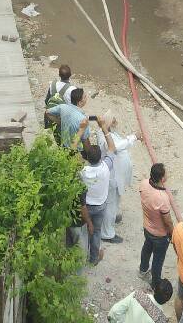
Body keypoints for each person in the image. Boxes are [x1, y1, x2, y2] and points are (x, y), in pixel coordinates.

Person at [79, 119, 117, 265]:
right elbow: (112, 148)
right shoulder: (105, 167)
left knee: (84, 231)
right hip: (100, 206)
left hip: (85, 207)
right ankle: (94, 258)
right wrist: (103, 128)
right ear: (100, 157)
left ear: (87, 158)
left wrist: (81, 130)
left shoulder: (83, 172)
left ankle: (81, 257)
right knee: (96, 232)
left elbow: (69, 151)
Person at [97, 112, 137, 243]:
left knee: (114, 203)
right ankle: (107, 233)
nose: (115, 122)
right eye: (113, 120)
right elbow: (115, 147)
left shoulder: (110, 133)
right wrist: (133, 137)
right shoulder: (104, 136)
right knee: (110, 205)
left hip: (117, 176)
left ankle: (111, 221)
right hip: (112, 177)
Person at [139, 163, 174, 289]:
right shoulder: (162, 198)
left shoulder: (143, 183)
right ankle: (155, 284)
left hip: (147, 227)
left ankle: (143, 270)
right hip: (160, 234)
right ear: (162, 178)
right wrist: (172, 233)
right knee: (158, 260)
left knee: (147, 248)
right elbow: (168, 221)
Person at [45, 87, 91, 152]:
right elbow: (85, 141)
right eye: (85, 97)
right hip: (76, 151)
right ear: (80, 102)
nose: (87, 98)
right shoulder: (83, 119)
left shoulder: (63, 107)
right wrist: (89, 153)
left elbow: (47, 112)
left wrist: (60, 122)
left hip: (63, 146)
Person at [108, 280, 173, 323]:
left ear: (154, 289)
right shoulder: (161, 319)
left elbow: (115, 311)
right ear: (168, 300)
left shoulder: (137, 295)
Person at [44, 64, 76, 130]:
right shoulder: (72, 89)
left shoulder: (52, 85)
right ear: (70, 75)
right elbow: (75, 108)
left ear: (59, 75)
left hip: (50, 116)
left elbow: (46, 101)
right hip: (63, 120)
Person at [67, 185, 91, 260]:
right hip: (78, 223)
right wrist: (89, 223)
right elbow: (83, 208)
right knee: (81, 252)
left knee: (70, 248)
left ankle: (70, 269)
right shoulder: (80, 187)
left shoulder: (65, 184)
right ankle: (79, 271)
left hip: (67, 222)